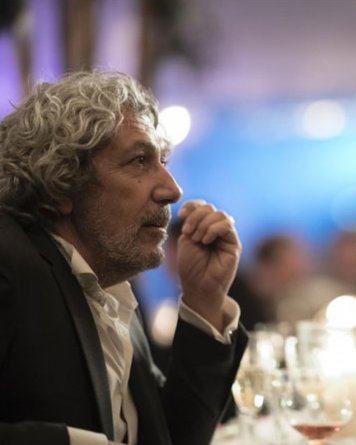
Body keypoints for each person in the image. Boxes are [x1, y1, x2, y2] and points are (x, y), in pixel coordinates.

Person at [0, 71, 247, 445]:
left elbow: (169, 437)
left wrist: (205, 300)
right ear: (62, 185)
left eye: (163, 161)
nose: (172, 189)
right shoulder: (9, 265)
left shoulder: (113, 290)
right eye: (139, 161)